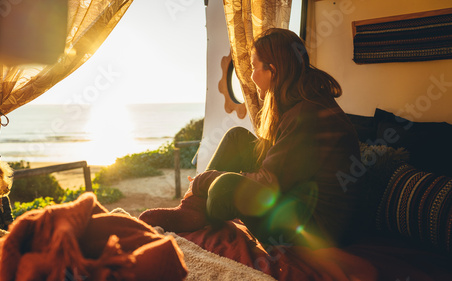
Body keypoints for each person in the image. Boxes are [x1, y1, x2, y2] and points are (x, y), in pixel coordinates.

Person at [140, 28, 364, 248]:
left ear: (272, 71)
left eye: (255, 67)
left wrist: (205, 180)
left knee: (223, 188)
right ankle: (193, 210)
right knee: (237, 137)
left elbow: (269, 185)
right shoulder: (303, 102)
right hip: (301, 198)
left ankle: (196, 210)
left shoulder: (307, 114)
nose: (251, 76)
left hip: (319, 228)